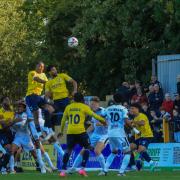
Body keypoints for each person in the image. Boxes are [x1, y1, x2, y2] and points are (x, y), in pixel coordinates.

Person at [58, 93, 106, 177]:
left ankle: (63, 171)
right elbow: (94, 115)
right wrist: (102, 120)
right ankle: (82, 169)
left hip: (70, 132)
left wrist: (61, 131)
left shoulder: (68, 107)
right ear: (82, 99)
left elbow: (63, 120)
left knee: (68, 150)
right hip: (81, 132)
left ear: (74, 99)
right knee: (87, 148)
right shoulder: (84, 107)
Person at [103, 93, 138, 176]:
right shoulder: (123, 109)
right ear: (121, 100)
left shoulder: (108, 109)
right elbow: (126, 121)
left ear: (114, 100)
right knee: (128, 152)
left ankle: (105, 170)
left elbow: (103, 117)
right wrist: (135, 130)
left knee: (114, 152)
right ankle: (121, 172)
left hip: (110, 133)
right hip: (120, 134)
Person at [45, 65, 77, 135]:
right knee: (57, 117)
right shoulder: (48, 82)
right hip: (56, 102)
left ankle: (74, 133)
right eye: (53, 70)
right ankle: (53, 133)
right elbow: (47, 95)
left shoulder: (62, 75)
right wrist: (48, 100)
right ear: (49, 72)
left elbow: (74, 82)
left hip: (65, 99)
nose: (55, 71)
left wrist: (75, 90)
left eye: (55, 69)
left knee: (70, 116)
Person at [130, 103, 155, 171]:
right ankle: (152, 163)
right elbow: (136, 129)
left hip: (147, 136)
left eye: (132, 108)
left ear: (137, 109)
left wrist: (134, 122)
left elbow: (142, 123)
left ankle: (138, 166)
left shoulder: (142, 115)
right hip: (141, 136)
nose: (131, 110)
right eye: (131, 108)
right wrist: (132, 127)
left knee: (140, 150)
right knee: (131, 147)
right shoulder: (135, 118)